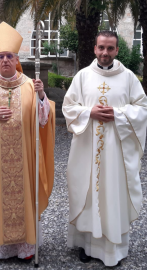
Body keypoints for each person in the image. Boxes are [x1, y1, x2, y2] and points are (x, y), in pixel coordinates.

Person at [0, 22, 55, 263]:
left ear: (16, 59)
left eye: (10, 56)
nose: (6, 60)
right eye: (1, 56)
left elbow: (44, 120)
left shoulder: (31, 86)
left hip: (24, 160)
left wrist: (43, 96)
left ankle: (23, 248)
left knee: (23, 197)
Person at [63, 30, 147, 267]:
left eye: (110, 48)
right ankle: (87, 245)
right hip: (86, 150)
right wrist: (88, 112)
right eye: (101, 47)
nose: (105, 53)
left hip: (116, 153)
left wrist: (119, 114)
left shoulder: (129, 77)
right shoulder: (82, 76)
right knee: (87, 194)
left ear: (117, 50)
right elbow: (68, 107)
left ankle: (113, 249)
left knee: (113, 194)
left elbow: (142, 108)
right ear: (94, 48)